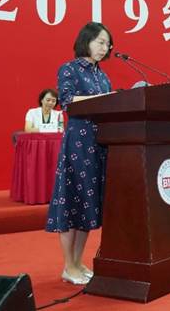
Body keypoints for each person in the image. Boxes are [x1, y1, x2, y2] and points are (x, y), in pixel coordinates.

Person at [45, 22, 113, 286]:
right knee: (72, 202)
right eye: (100, 42)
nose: (104, 48)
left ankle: (78, 261)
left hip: (100, 144)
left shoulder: (103, 76)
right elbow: (67, 100)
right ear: (87, 40)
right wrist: (102, 101)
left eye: (107, 44)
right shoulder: (69, 68)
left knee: (88, 203)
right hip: (78, 143)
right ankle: (68, 266)